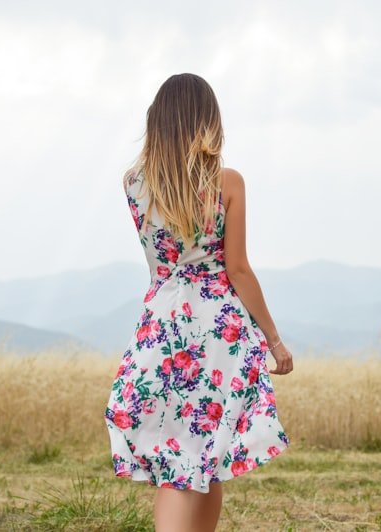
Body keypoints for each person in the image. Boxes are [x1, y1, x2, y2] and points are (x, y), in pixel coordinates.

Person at [104, 73, 293, 532]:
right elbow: (238, 270)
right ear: (208, 121)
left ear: (159, 121)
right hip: (217, 330)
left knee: (184, 454)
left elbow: (159, 267)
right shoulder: (228, 183)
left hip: (162, 324)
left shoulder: (133, 184)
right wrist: (274, 339)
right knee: (203, 451)